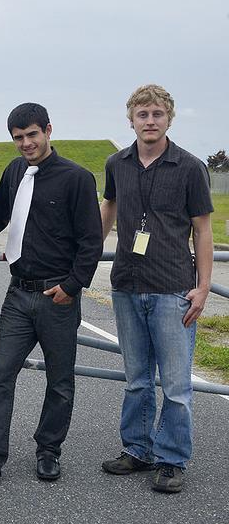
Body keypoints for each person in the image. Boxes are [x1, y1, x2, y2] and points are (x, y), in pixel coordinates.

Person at [0, 103, 102, 489]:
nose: (26, 143)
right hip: (18, 295)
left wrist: (72, 287)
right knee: (0, 376)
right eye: (18, 138)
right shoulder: (13, 172)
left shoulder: (76, 178)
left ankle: (48, 451)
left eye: (32, 135)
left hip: (58, 295)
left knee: (60, 381)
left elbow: (91, 242)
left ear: (48, 130)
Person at [99, 85, 213, 494]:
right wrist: (90, 253)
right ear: (130, 119)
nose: (150, 121)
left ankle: (172, 458)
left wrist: (202, 287)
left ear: (169, 118)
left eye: (157, 114)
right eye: (142, 114)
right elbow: (109, 207)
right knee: (136, 378)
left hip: (172, 288)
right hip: (127, 284)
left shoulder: (190, 167)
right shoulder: (117, 163)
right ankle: (137, 449)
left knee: (177, 384)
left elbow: (202, 228)